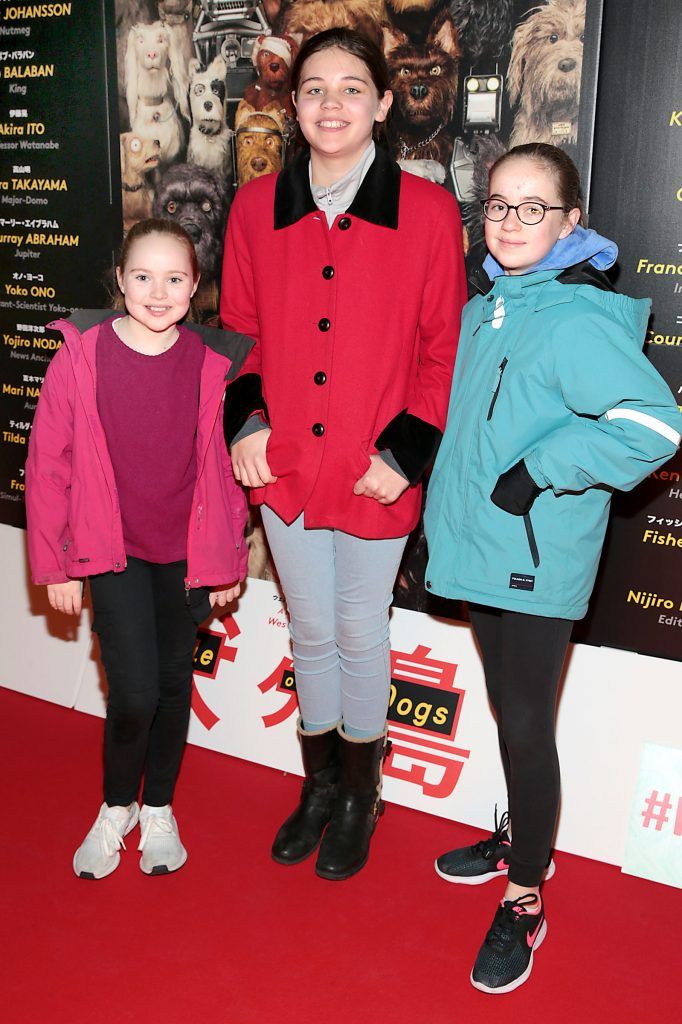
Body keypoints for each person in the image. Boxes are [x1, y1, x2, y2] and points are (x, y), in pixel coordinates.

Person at [423, 143, 682, 993]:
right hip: (486, 555)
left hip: (536, 559)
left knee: (528, 726)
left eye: (534, 207)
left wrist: (537, 473)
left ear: (572, 223)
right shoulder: (490, 306)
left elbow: (655, 428)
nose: (510, 222)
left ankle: (527, 897)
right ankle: (521, 837)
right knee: (511, 714)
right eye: (498, 204)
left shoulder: (570, 317)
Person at [220, 27, 466, 880]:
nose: (332, 103)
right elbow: (238, 338)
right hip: (284, 461)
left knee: (362, 629)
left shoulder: (429, 212)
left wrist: (404, 452)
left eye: (352, 87)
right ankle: (319, 785)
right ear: (292, 105)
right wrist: (245, 424)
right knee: (313, 627)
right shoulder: (255, 208)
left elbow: (444, 350)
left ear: (384, 103)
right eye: (315, 87)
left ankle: (364, 793)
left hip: (375, 466)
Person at [25, 219, 252, 880]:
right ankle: (115, 806)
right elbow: (49, 465)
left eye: (174, 278)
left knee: (174, 682)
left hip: (183, 554)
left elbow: (219, 471)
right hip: (112, 552)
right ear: (120, 281)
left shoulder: (212, 364)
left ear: (194, 287)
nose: (159, 291)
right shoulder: (83, 354)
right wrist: (56, 562)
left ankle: (159, 809)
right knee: (133, 692)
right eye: (144, 276)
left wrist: (226, 561)